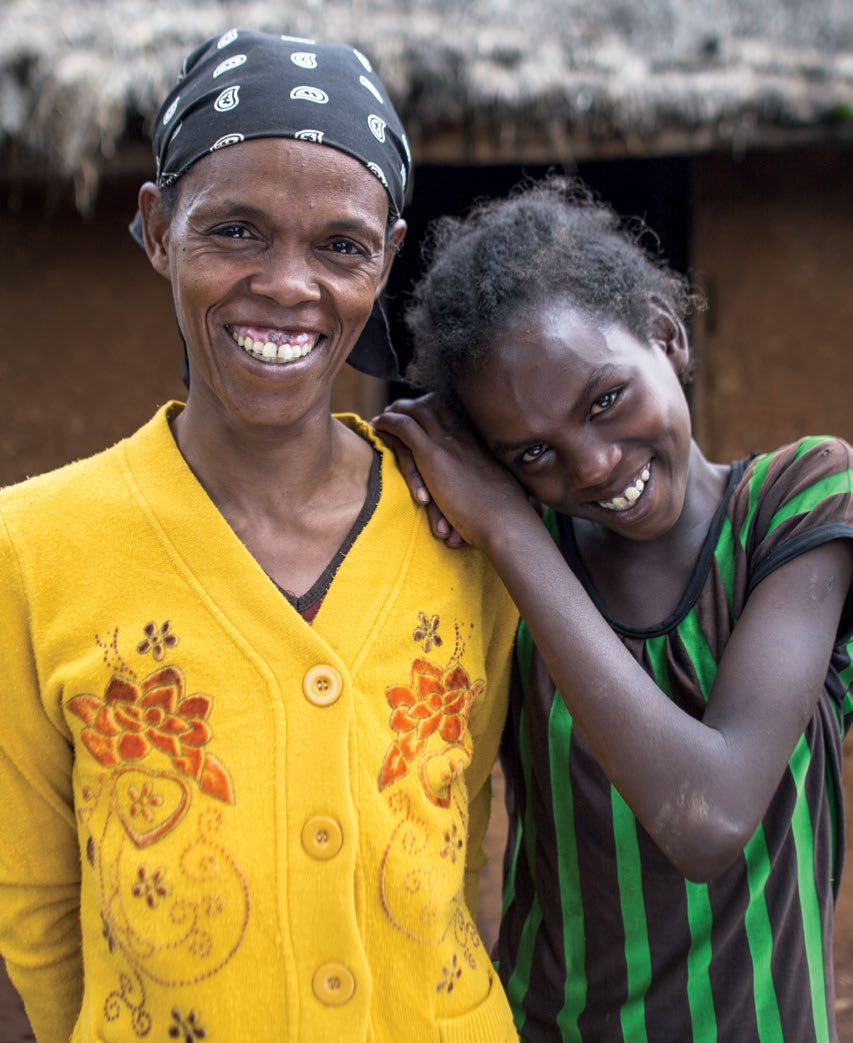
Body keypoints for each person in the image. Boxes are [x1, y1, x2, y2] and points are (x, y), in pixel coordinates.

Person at [0, 30, 519, 1043]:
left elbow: (461, 850)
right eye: (235, 230)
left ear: (388, 257)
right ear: (157, 229)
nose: (289, 284)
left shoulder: (465, 529)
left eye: (340, 244)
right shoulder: (32, 547)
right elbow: (33, 900)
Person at [374, 176, 853, 1042]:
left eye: (604, 400)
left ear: (666, 336)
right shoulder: (500, 573)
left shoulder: (797, 503)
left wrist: (508, 528)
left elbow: (707, 819)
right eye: (532, 451)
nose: (592, 464)